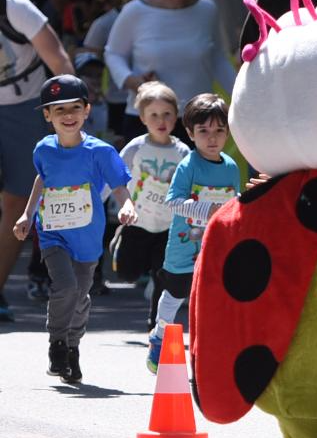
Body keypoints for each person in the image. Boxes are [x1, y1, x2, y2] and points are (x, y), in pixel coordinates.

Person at [12, 75, 136, 382]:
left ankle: (72, 346)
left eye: (74, 108)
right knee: (65, 287)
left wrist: (126, 205)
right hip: (52, 233)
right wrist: (27, 215)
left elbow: (118, 185)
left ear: (86, 110)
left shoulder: (100, 151)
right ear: (47, 115)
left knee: (80, 295)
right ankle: (57, 344)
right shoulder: (43, 149)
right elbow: (42, 178)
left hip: (87, 236)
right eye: (59, 110)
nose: (68, 115)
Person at [104, 0, 235, 141]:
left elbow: (217, 58)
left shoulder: (207, 9)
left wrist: (240, 97)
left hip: (198, 120)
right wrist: (132, 81)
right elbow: (113, 53)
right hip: (148, 119)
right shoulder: (135, 11)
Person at [147, 93, 239, 373]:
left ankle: (210, 352)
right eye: (203, 131)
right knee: (175, 295)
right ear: (190, 133)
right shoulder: (188, 165)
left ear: (228, 132)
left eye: (219, 130)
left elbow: (234, 203)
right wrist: (207, 210)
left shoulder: (231, 167)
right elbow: (173, 202)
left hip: (216, 248)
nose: (212, 138)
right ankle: (159, 336)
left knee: (214, 299)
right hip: (184, 248)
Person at [0, 0, 75, 322]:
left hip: (24, 107)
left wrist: (69, 118)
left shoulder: (12, 5)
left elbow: (59, 61)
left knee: (18, 201)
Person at [114, 81, 189, 330]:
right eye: (154, 115)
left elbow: (191, 184)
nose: (161, 120)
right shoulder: (136, 148)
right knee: (127, 273)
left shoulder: (182, 152)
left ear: (176, 116)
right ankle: (119, 241)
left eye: (167, 114)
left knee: (162, 276)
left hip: (168, 225)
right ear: (143, 118)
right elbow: (115, 177)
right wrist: (100, 203)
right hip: (138, 221)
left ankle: (155, 327)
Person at [81, 0, 155, 139]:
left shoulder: (160, 18)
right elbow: (85, 63)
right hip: (115, 104)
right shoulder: (103, 24)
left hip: (156, 101)